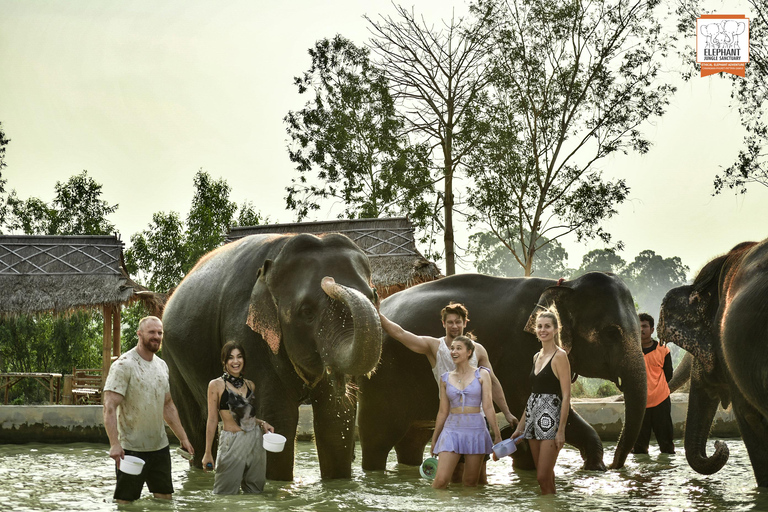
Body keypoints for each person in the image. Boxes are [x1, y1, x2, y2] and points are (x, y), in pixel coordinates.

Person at [379, 302, 517, 482]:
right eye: (450, 322)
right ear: (443, 324)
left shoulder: (479, 350)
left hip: (478, 420)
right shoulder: (435, 347)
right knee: (454, 476)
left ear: (465, 323)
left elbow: (494, 382)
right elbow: (400, 334)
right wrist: (377, 314)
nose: (454, 326)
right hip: (451, 421)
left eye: (458, 321)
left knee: (480, 479)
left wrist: (506, 412)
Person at [103, 316, 194, 504]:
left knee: (165, 501)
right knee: (125, 503)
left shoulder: (162, 366)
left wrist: (183, 438)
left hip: (160, 448)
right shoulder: (124, 364)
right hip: (130, 450)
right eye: (152, 332)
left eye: (160, 333)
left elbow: (167, 405)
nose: (157, 336)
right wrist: (114, 444)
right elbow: (109, 406)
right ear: (139, 334)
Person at [202, 340, 274, 494]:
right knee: (224, 495)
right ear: (224, 361)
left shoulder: (250, 385)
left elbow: (247, 416)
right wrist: (208, 452)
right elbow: (213, 419)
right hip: (233, 441)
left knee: (256, 492)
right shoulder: (216, 385)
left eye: (239, 357)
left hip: (256, 440)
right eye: (231, 357)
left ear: (244, 360)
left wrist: (263, 423)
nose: (236, 361)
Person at [511, 310, 571, 495]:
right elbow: (533, 396)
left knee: (542, 477)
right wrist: (520, 427)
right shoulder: (536, 357)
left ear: (555, 329)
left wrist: (561, 430)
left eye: (547, 326)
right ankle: (551, 506)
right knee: (544, 476)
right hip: (533, 418)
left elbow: (566, 396)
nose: (542, 330)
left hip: (551, 421)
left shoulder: (560, 356)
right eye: (539, 326)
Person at [431, 336, 501, 489]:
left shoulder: (482, 374)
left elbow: (488, 406)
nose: (454, 351)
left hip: (476, 430)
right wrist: (435, 438)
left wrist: (497, 434)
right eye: (452, 348)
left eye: (458, 348)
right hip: (451, 429)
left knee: (470, 482)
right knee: (440, 481)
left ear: (469, 352)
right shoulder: (445, 378)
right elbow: (442, 411)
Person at [633, 313, 675, 455]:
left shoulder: (663, 350)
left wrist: (657, 388)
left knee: (666, 446)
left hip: (661, 402)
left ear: (652, 329)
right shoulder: (631, 352)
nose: (641, 329)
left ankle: (665, 476)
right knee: (639, 449)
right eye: (638, 326)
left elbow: (668, 374)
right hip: (639, 404)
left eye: (644, 326)